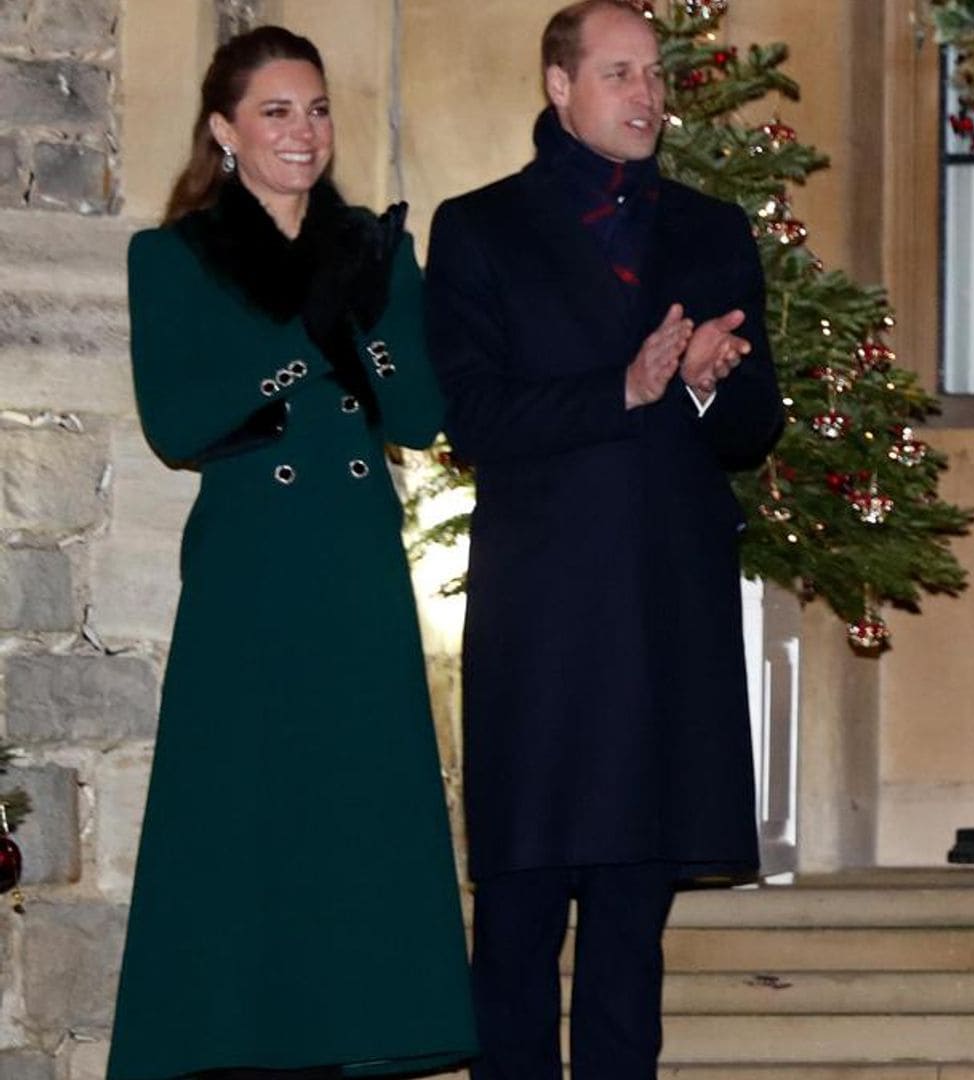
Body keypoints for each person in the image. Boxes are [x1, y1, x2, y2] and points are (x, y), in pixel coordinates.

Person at [422, 1, 783, 1076]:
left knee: (633, 925)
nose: (648, 95)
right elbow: (474, 417)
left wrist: (715, 388)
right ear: (559, 87)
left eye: (656, 75)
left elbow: (757, 424)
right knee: (521, 919)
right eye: (620, 73)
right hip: (544, 618)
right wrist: (621, 388)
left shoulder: (712, 230)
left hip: (666, 613)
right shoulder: (480, 227)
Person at [108, 25, 475, 1080]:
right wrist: (296, 352)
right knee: (241, 819)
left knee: (355, 820)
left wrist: (361, 324)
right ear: (224, 129)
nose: (303, 131)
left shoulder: (375, 249)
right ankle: (231, 1043)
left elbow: (413, 413)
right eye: (276, 111)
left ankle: (356, 1039)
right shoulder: (171, 257)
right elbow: (177, 422)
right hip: (249, 573)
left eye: (316, 109)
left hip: (354, 565)